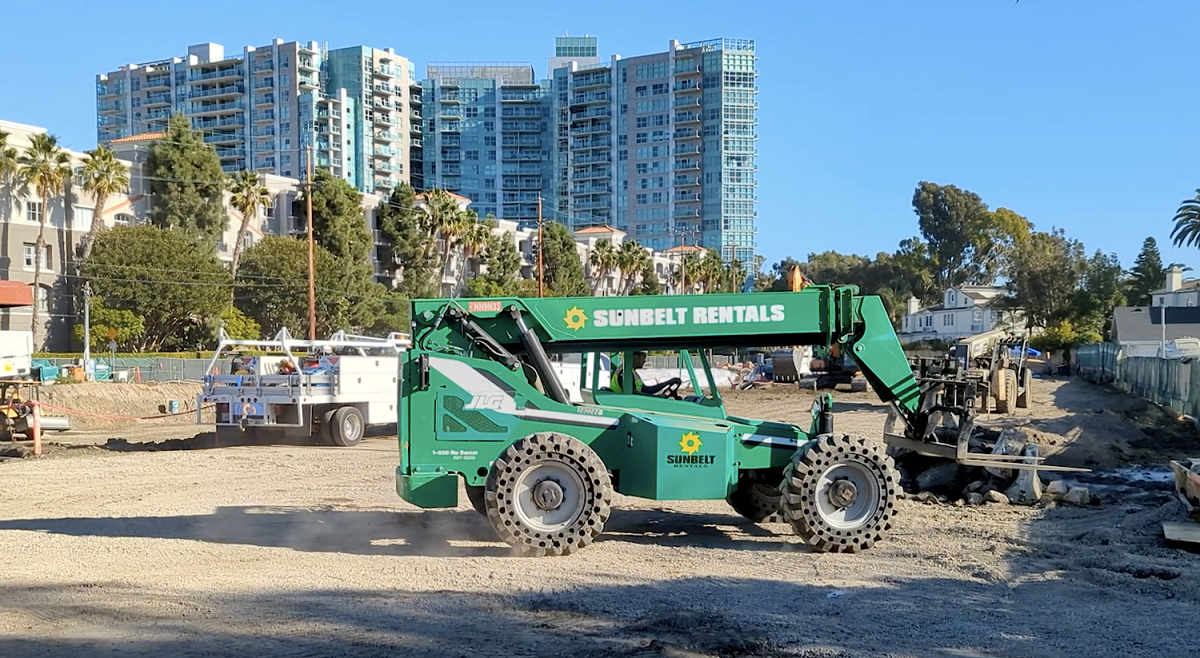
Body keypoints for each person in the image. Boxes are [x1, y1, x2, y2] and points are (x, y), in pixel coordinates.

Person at [610, 351, 681, 396]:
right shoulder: (624, 373)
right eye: (643, 356)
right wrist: (655, 397)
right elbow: (632, 393)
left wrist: (668, 382)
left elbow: (646, 390)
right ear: (635, 356)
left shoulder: (632, 372)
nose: (645, 360)